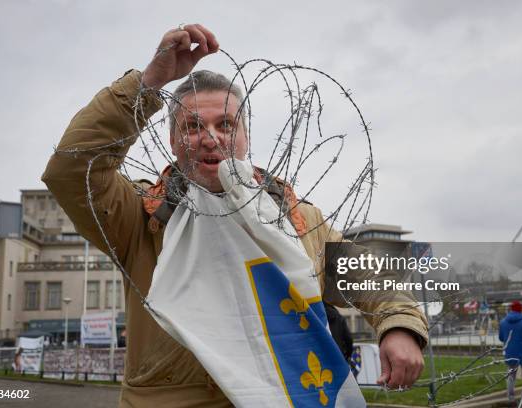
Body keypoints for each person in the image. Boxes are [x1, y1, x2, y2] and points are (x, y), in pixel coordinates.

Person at [42, 24, 428, 407]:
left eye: (225, 124)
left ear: (245, 136)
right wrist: (146, 85)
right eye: (192, 127)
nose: (210, 138)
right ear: (174, 140)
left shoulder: (295, 218)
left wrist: (399, 326)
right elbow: (71, 170)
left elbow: (369, 277)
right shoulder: (142, 217)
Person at [499, 301, 522, 406]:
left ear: (511, 309)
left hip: (510, 353)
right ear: (520, 309)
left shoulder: (503, 322)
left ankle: (511, 399)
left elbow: (501, 338)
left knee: (510, 377)